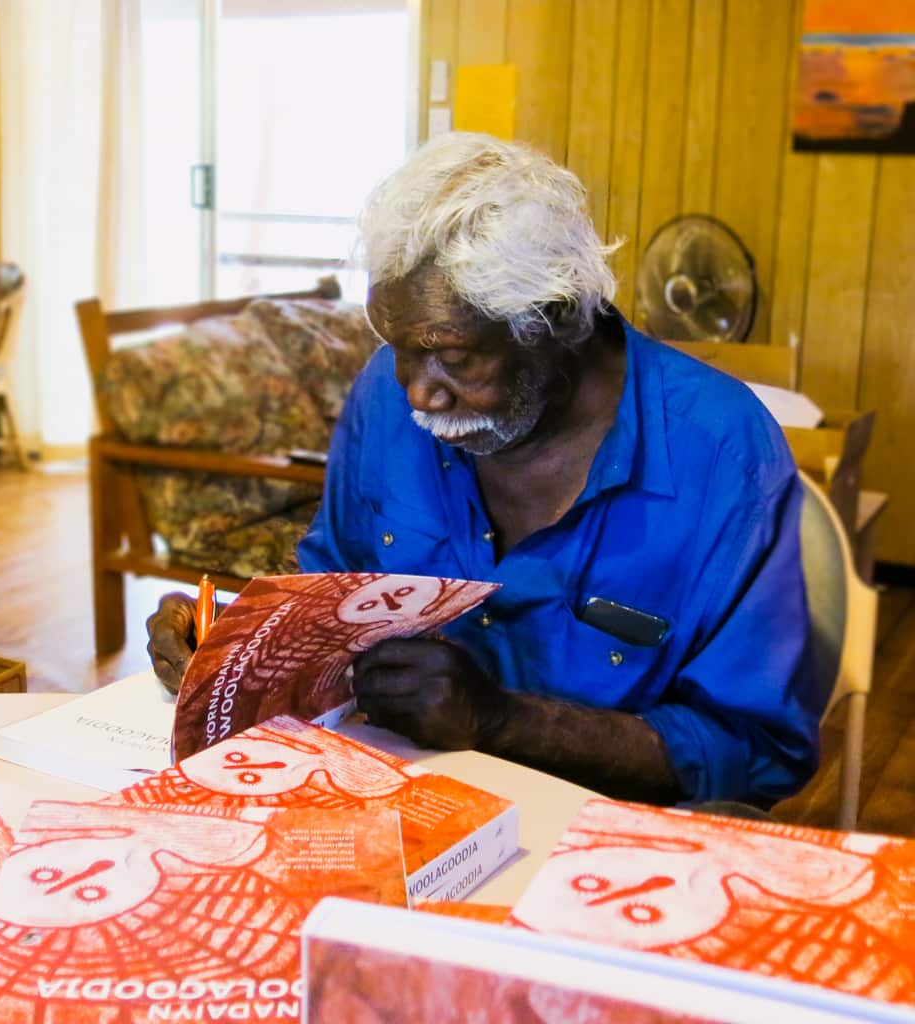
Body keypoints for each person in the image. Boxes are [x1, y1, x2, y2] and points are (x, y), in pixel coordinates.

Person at [148, 132, 819, 809]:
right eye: (397, 346)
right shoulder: (386, 397)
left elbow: (755, 751)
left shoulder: (722, 454)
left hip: (604, 832)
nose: (416, 391)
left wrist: (501, 722)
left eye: (453, 356)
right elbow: (328, 602)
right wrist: (234, 644)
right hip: (390, 795)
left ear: (560, 320)